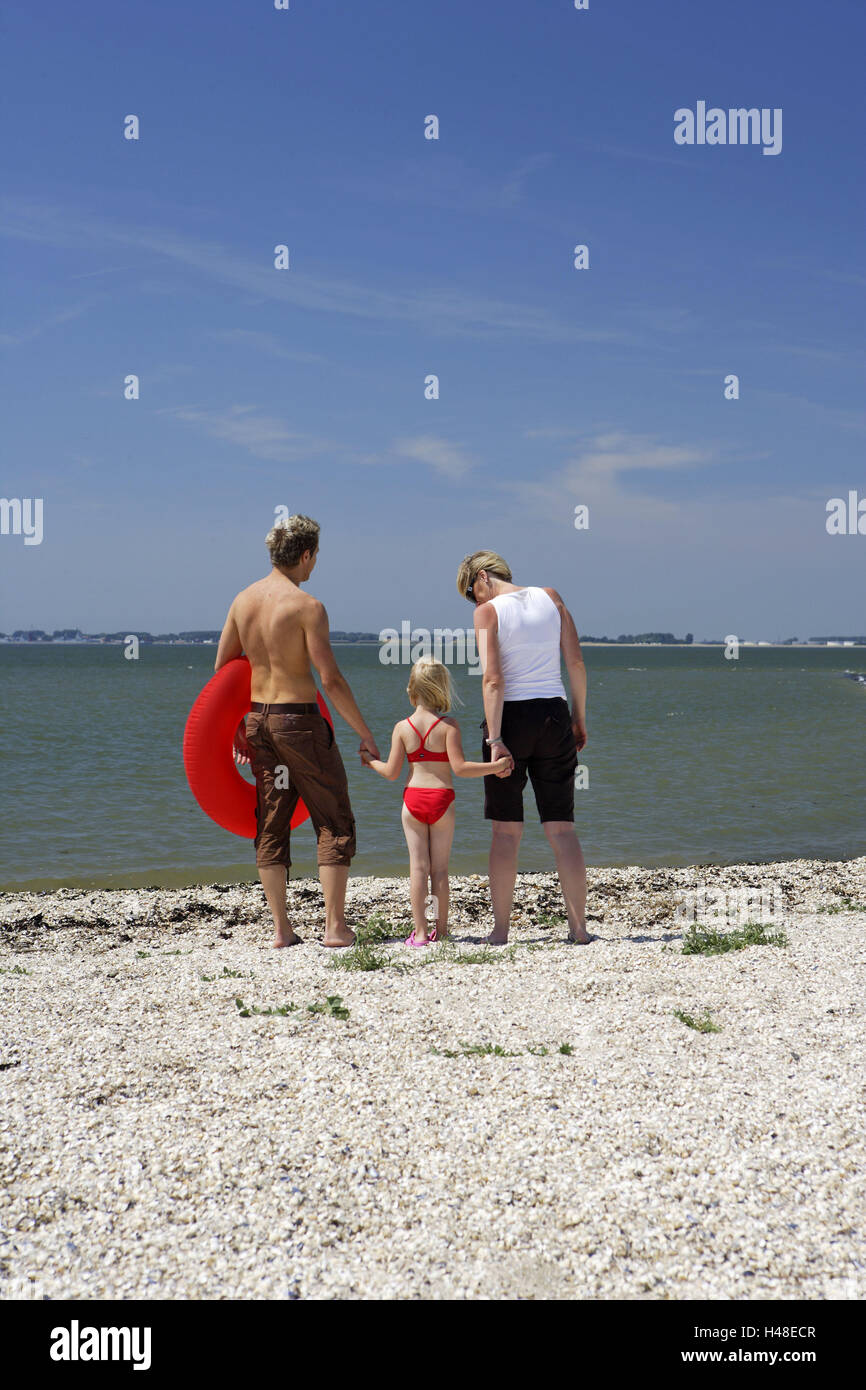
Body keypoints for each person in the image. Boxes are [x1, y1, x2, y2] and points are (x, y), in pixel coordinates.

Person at [214, 515, 381, 948]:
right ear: (305, 555)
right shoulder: (307, 607)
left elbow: (224, 671)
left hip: (259, 722)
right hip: (299, 722)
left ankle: (281, 930)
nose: (314, 567)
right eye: (315, 557)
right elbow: (330, 680)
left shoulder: (242, 601)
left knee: (271, 823)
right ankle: (334, 928)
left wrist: (237, 727)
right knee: (334, 820)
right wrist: (364, 732)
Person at [456, 550, 594, 946]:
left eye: (471, 591)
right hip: (554, 714)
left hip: (511, 719)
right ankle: (579, 930)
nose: (474, 601)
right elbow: (577, 664)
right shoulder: (551, 597)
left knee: (505, 832)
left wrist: (496, 740)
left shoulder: (487, 613)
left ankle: (500, 931)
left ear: (482, 577)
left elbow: (493, 680)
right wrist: (578, 718)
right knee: (562, 829)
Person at [362, 657, 510, 946]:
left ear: (411, 689)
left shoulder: (401, 728)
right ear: (441, 688)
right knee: (440, 870)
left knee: (417, 867)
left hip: (413, 800)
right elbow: (460, 768)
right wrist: (496, 767)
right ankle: (441, 932)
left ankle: (419, 933)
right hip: (442, 798)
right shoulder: (449, 726)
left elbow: (392, 773)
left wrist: (370, 761)